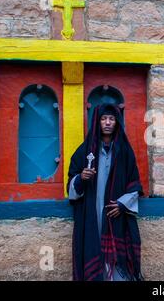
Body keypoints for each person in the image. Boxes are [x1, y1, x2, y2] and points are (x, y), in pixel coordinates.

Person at [67, 103, 144, 281]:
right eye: (103, 119)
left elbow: (135, 185)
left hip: (116, 214)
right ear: (96, 122)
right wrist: (81, 178)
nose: (108, 122)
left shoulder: (125, 152)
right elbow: (71, 184)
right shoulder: (84, 152)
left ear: (117, 122)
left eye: (111, 118)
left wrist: (122, 205)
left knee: (118, 262)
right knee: (94, 252)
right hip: (91, 214)